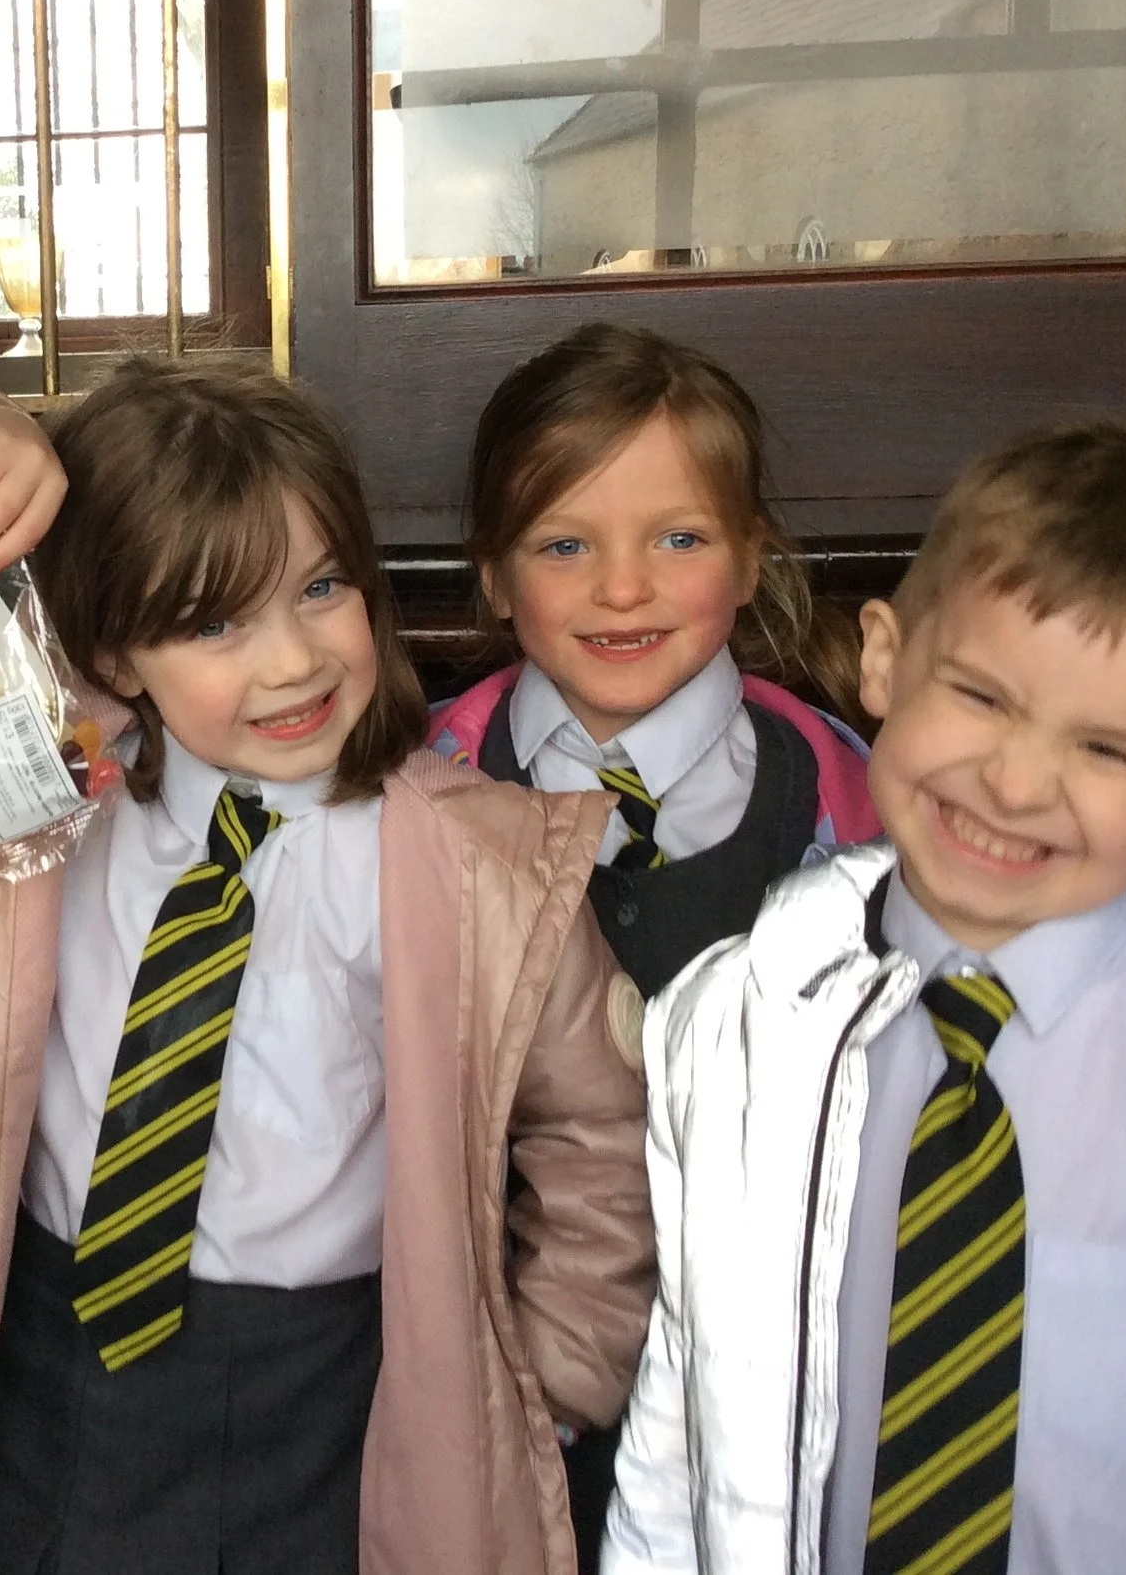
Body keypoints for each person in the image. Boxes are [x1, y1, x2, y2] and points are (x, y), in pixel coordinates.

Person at [0, 357, 656, 1575]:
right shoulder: (19, 794)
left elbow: (599, 1140)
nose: (291, 663)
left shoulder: (478, 866)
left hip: (324, 1398)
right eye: (213, 621)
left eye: (322, 587)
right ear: (115, 649)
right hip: (21, 1363)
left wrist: (537, 1393)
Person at [602, 420, 1126, 1575]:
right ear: (883, 660)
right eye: (980, 696)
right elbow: (679, 1441)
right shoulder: (729, 1025)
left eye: (1107, 750)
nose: (1016, 783)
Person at [428, 323, 879, 1563]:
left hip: (754, 1407)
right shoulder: (416, 793)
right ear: (493, 576)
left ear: (750, 558)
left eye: (677, 539)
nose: (621, 589)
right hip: (485, 1392)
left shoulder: (846, 807)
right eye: (563, 545)